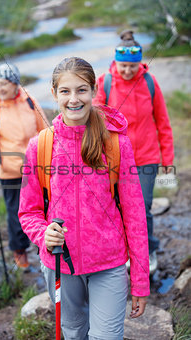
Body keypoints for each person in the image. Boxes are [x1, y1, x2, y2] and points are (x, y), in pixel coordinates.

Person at [18, 57, 150, 339]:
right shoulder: (40, 146)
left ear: (93, 91)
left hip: (109, 263)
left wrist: (140, 282)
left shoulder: (116, 144)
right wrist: (44, 234)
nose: (73, 99)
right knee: (74, 332)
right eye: (65, 91)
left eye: (81, 90)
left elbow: (135, 217)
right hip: (60, 264)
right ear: (54, 94)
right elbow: (28, 213)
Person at [93, 30, 174, 274]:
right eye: (123, 65)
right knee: (119, 206)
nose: (128, 70)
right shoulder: (105, 82)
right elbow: (95, 117)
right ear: (115, 62)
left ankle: (147, 250)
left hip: (147, 157)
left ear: (140, 63)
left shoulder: (149, 82)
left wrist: (167, 159)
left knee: (144, 206)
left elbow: (163, 122)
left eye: (133, 65)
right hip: (115, 158)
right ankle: (126, 250)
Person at [0, 63, 49, 268]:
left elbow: (44, 130)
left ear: (15, 83)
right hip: (10, 171)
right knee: (17, 212)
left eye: (3, 83)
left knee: (42, 207)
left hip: (35, 168)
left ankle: (43, 246)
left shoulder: (30, 102)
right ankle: (19, 251)